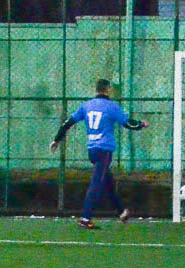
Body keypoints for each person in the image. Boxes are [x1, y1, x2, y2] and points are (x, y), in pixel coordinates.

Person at [49, 79, 148, 229]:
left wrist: (57, 139)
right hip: (104, 150)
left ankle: (121, 212)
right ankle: (85, 218)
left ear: (96, 90)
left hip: (92, 150)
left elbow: (68, 122)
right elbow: (128, 123)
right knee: (97, 183)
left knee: (107, 181)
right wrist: (141, 124)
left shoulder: (87, 105)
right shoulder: (112, 107)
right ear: (108, 90)